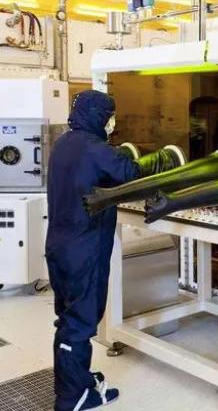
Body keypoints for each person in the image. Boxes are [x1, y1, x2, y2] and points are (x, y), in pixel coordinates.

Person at [46, 90, 139, 411]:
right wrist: (125, 154)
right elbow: (130, 173)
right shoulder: (96, 149)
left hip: (59, 246)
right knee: (81, 321)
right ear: (100, 116)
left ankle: (76, 380)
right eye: (110, 117)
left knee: (67, 318)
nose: (112, 123)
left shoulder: (63, 144)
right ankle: (72, 398)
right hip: (85, 249)